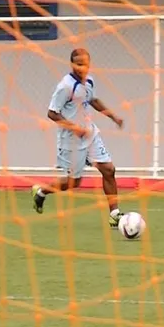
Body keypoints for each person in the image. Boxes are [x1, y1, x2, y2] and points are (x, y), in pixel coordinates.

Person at [31, 48, 125, 228]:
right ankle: (42, 192)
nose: (82, 68)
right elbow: (52, 113)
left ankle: (114, 214)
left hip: (90, 134)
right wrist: (74, 128)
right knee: (74, 182)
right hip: (71, 140)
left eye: (85, 64)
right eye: (79, 64)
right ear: (72, 64)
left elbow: (92, 100)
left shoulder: (89, 80)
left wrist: (113, 117)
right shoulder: (65, 87)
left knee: (109, 170)